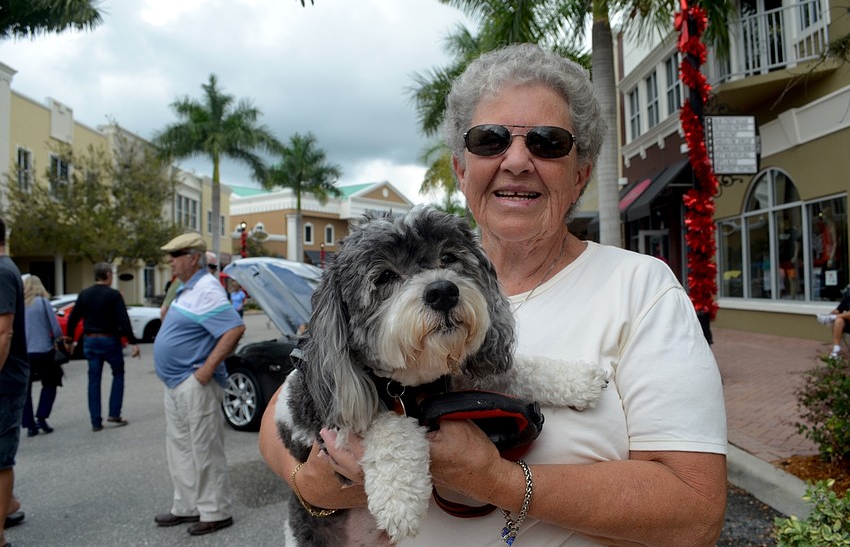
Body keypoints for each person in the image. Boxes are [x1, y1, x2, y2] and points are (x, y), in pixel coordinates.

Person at [258, 43, 728, 546]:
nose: (518, 161)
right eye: (490, 140)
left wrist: (498, 482)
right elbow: (283, 416)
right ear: (462, 169)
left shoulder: (642, 290)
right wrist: (311, 487)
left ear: (581, 175)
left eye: (548, 142)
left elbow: (695, 512)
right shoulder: (377, 288)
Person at [152, 233, 245, 536]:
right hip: (177, 383)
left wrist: (205, 372)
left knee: (204, 449)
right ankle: (187, 506)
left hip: (195, 383)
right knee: (179, 447)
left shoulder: (206, 287)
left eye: (176, 255)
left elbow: (233, 328)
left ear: (193, 257)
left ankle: (216, 511)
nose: (170, 261)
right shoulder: (186, 288)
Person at [66, 262, 141, 432]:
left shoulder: (85, 294)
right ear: (108, 275)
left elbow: (73, 318)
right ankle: (114, 412)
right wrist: (132, 341)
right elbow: (123, 320)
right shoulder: (113, 295)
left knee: (94, 379)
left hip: (91, 340)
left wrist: (70, 339)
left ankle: (95, 420)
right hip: (110, 339)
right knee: (118, 373)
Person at [0, 216, 29, 547]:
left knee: (1, 458)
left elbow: (4, 332)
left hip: (6, 379)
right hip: (9, 375)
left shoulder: (2, 271)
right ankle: (7, 506)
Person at [22, 275, 66, 437]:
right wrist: (58, 339)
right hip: (44, 351)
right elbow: (55, 328)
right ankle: (42, 416)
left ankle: (29, 424)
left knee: (24, 390)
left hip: (25, 353)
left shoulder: (19, 304)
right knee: (50, 384)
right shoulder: (42, 302)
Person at [815, 292, 850, 358]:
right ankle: (836, 348)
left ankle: (829, 319)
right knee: (838, 321)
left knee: (837, 317)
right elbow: (838, 310)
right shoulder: (848, 298)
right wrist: (833, 313)